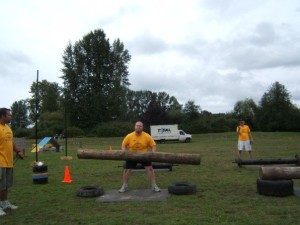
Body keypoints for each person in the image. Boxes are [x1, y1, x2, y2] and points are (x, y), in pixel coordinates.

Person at [119, 121, 160, 193]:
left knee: (150, 169)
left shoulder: (147, 136)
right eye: (137, 126)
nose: (138, 127)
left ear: (142, 127)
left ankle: (154, 186)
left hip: (144, 155)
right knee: (126, 170)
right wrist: (124, 152)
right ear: (135, 127)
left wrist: (153, 153)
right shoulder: (129, 136)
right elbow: (123, 144)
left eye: (140, 126)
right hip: (132, 155)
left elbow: (153, 145)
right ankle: (125, 186)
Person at [0, 108, 24, 216]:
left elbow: (11, 142)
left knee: (5, 185)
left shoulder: (8, 128)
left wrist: (18, 151)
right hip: (0, 161)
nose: (11, 117)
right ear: (2, 116)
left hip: (9, 161)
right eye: (9, 115)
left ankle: (4, 203)